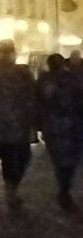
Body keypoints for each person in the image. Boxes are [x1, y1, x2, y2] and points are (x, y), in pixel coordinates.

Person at [0, 39, 38, 207]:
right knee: (9, 158)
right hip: (2, 124)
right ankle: (11, 190)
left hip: (21, 123)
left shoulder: (22, 72)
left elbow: (32, 94)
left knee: (24, 157)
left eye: (9, 51)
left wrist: (33, 115)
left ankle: (13, 186)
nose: (6, 55)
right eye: (3, 51)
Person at [37, 53, 82, 213]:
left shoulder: (44, 80)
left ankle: (64, 190)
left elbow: (39, 102)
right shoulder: (73, 79)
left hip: (54, 127)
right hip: (71, 127)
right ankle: (64, 190)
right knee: (69, 161)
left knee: (60, 162)